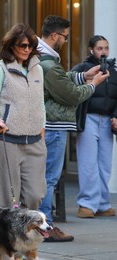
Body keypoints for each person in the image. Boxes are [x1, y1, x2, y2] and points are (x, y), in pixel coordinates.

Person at [37, 15, 110, 242]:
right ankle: (45, 226)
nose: (66, 41)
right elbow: (70, 94)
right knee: (49, 178)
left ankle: (42, 224)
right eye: (65, 37)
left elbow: (61, 80)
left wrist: (82, 76)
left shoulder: (44, 59)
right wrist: (92, 84)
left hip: (51, 125)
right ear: (55, 35)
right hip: (54, 126)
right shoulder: (48, 63)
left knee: (46, 177)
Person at [0, 23, 47, 260]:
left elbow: (40, 102)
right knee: (5, 202)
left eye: (31, 45)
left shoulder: (38, 69)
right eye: (23, 45)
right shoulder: (0, 69)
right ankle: (10, 253)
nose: (27, 49)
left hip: (34, 142)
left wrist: (42, 125)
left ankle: (24, 245)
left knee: (34, 196)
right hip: (6, 141)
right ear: (11, 45)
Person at [71, 35, 117, 218]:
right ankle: (87, 204)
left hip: (107, 121)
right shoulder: (82, 69)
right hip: (88, 119)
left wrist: (116, 115)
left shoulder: (114, 71)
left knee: (105, 165)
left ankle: (103, 204)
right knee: (88, 164)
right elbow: (68, 88)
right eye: (100, 48)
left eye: (106, 47)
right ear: (91, 50)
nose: (104, 51)